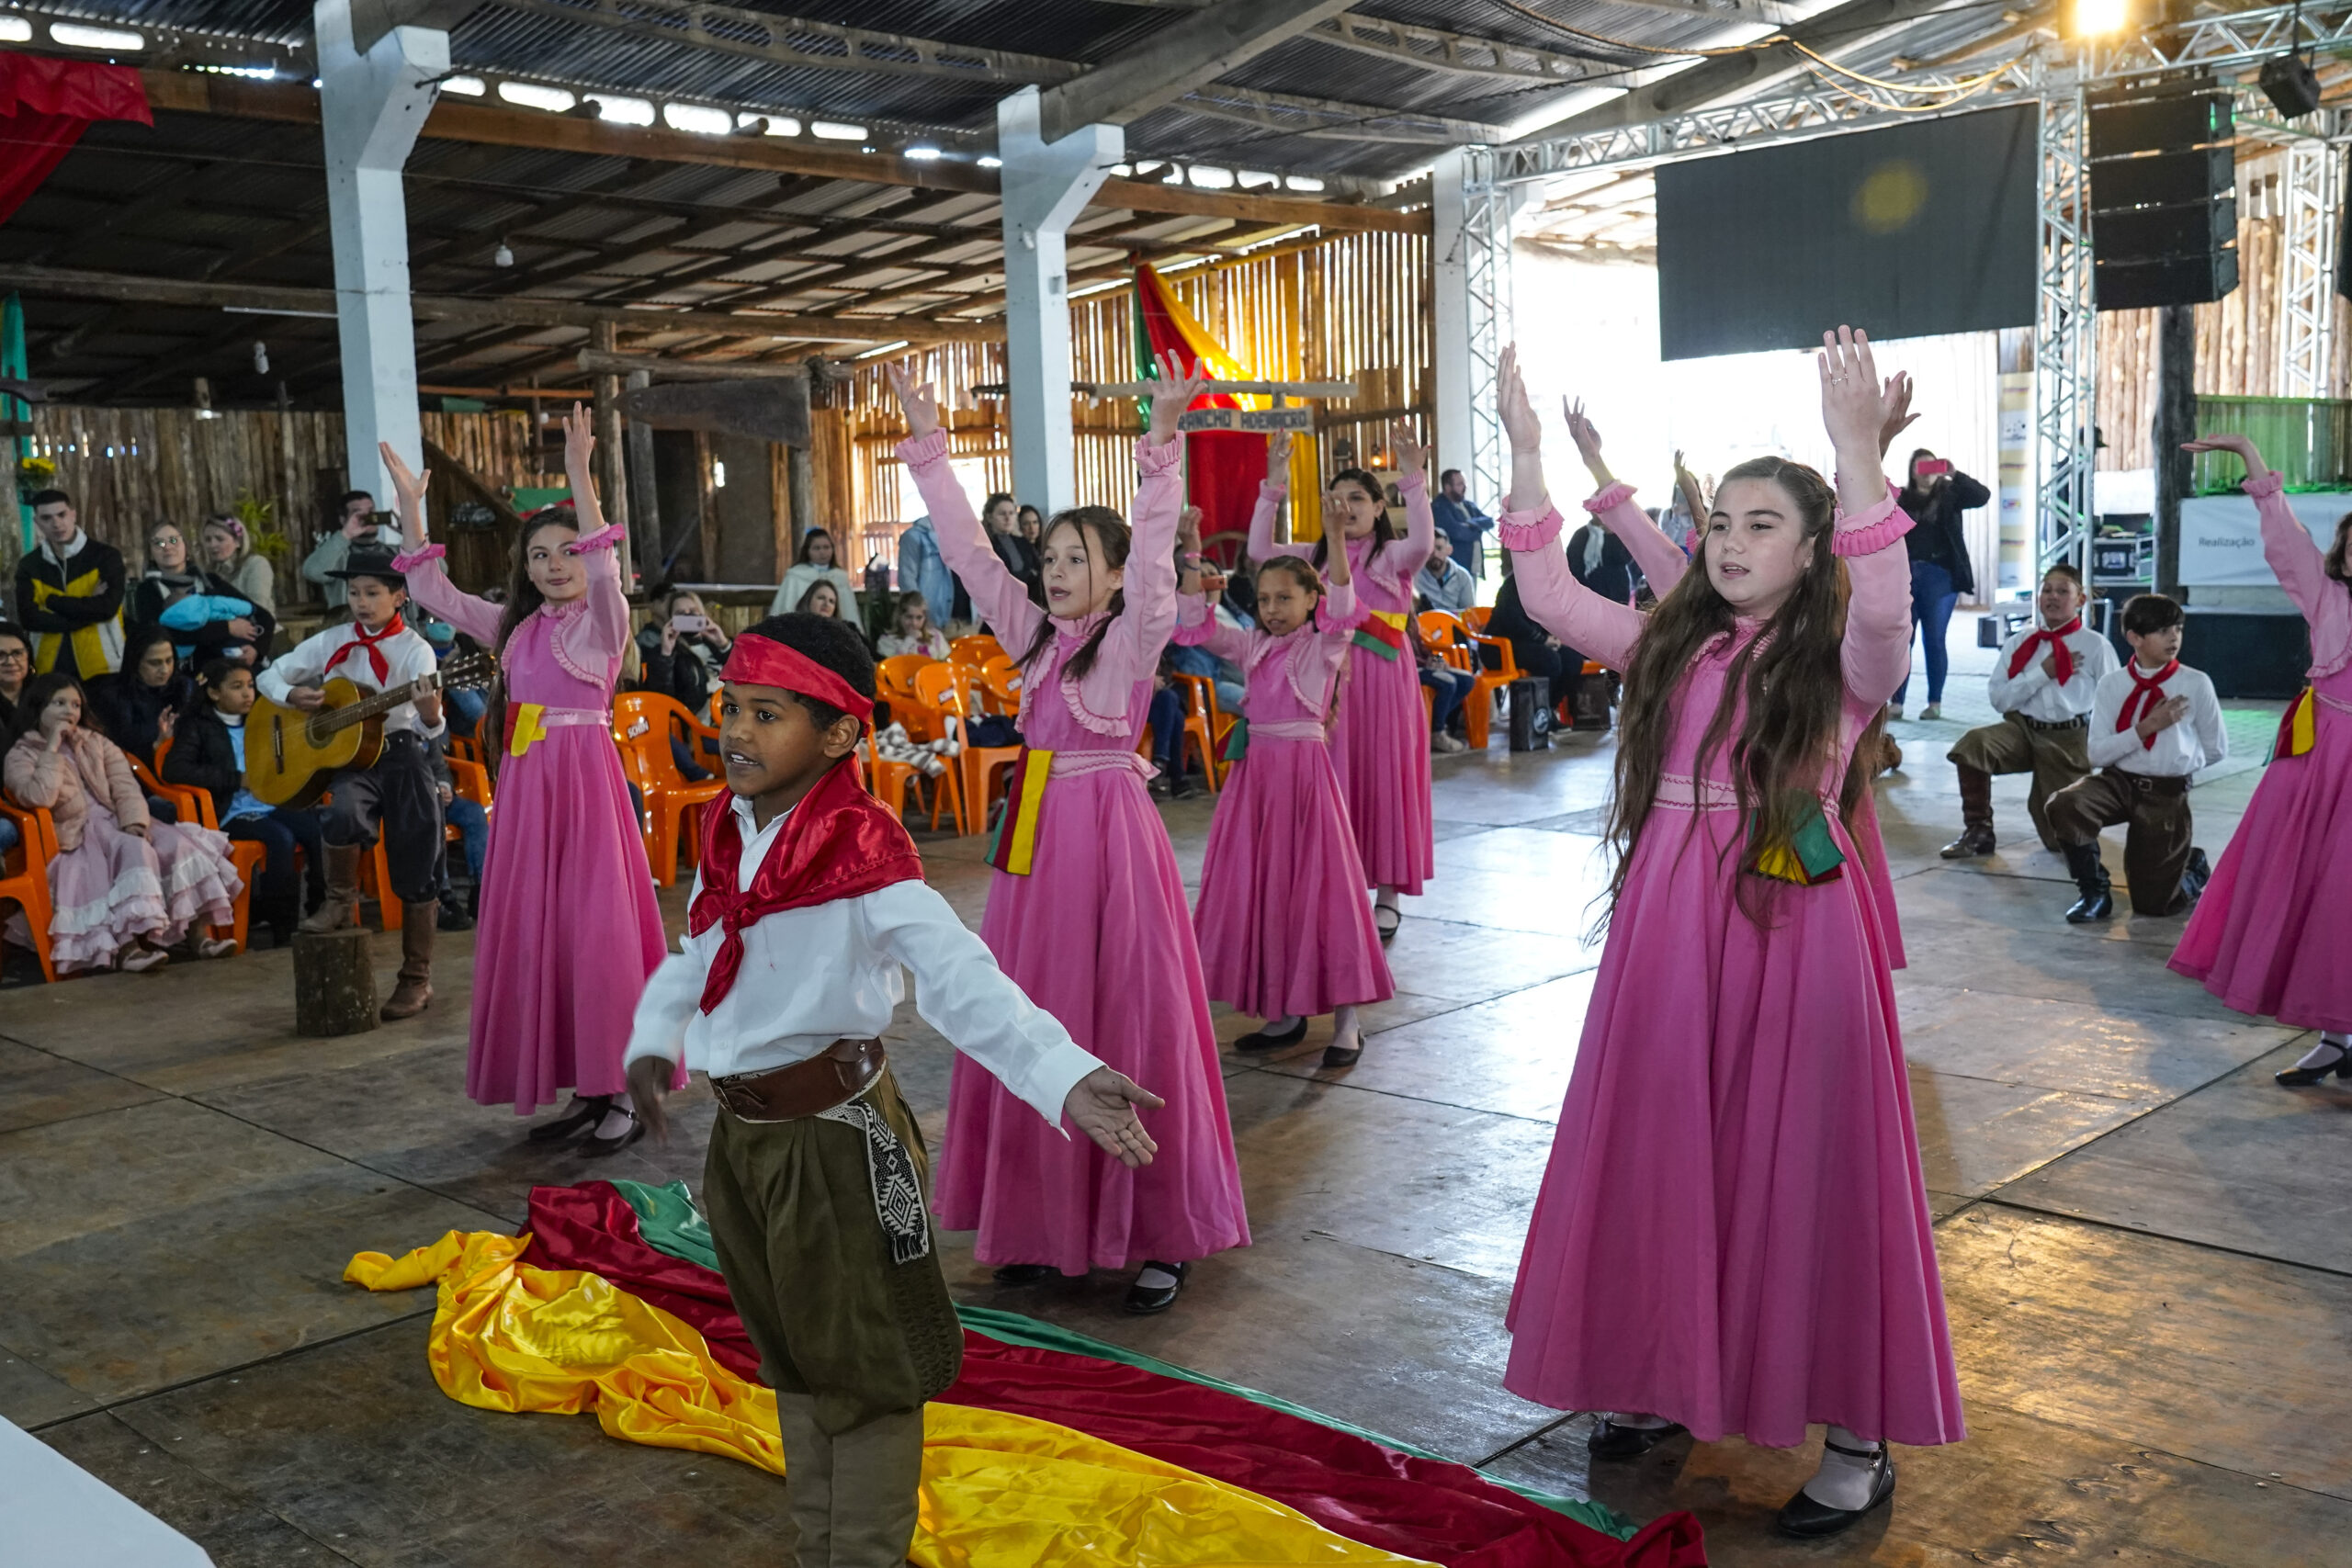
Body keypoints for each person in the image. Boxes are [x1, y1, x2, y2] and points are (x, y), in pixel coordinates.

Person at [1498, 332, 1961, 1539]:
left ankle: (1855, 1427)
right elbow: (1549, 596)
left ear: (1810, 553)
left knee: (1805, 1157)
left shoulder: (1839, 659)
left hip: (1790, 923)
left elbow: (1890, 612)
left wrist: (1859, 451)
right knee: (1666, 1147)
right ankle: (1664, 1372)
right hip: (1667, 925)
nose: (1735, 541)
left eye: (1765, 524)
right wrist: (1529, 453)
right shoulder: (1674, 641)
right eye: (1725, 523)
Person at [621, 612, 1161, 1568]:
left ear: (837, 735)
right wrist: (653, 1039)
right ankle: (816, 1547)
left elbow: (961, 978)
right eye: (731, 709)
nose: (737, 732)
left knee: (864, 1367)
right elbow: (701, 947)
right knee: (791, 1351)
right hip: (743, 1141)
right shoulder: (732, 830)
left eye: (767, 714)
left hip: (834, 1141)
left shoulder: (862, 856)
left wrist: (1066, 1076)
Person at [891, 355, 1249, 1316]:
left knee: (1132, 1014)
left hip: (1111, 844)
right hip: (1037, 842)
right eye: (1047, 559)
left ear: (1113, 574)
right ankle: (1045, 1227)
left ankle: (1158, 1232)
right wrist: (929, 451)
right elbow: (968, 552)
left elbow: (1158, 562)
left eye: (1075, 560)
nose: (1054, 573)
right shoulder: (1034, 637)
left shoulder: (1132, 639)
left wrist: (1162, 449)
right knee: (1030, 1015)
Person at [383, 411, 672, 1145]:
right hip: (526, 787)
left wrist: (580, 478)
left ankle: (625, 1091)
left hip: (584, 787)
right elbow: (438, 596)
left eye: (567, 550)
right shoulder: (517, 625)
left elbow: (607, 567)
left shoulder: (603, 623)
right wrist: (414, 511)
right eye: (538, 553)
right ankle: (588, 1084)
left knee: (597, 931)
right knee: (549, 935)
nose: (553, 563)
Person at [2166, 434, 2352, 1085]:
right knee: (2308, 888)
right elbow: (2285, 535)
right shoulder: (2326, 594)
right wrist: (2248, 454)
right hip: (2316, 756)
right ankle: (2335, 1034)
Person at [1173, 516, 1392, 1067]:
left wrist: (1336, 540)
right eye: (1264, 598)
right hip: (1256, 786)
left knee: (1323, 895)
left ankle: (1348, 1022)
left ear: (1311, 600)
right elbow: (1191, 625)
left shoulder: (1323, 647)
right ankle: (1285, 1013)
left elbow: (1344, 603)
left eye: (1285, 598)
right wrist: (1194, 556)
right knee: (1267, 893)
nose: (1271, 608)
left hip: (1303, 783)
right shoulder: (1251, 646)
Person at [1252, 427, 1435, 942]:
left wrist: (1413, 479)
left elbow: (1423, 538)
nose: (1349, 506)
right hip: (1326, 684)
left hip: (1383, 684)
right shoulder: (1312, 556)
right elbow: (1258, 548)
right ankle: (1339, 885)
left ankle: (1390, 895)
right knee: (1334, 779)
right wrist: (1275, 482)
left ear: (1380, 508)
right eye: (1340, 498)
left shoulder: (1393, 557)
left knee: (1384, 776)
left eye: (1359, 498)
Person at [259, 544, 446, 1020]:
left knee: (419, 857)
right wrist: (291, 693)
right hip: (352, 760)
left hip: (403, 756)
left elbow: (429, 729)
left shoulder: (415, 649)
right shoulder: (332, 640)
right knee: (341, 810)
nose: (361, 602)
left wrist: (430, 713)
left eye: (372, 592)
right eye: (354, 592)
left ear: (399, 596)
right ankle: (340, 901)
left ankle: (416, 979)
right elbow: (270, 676)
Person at [4, 672, 241, 971]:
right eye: (59, 703)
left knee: (177, 845)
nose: (69, 712)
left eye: (75, 705)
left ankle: (200, 937)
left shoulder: (97, 742)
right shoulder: (21, 754)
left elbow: (125, 786)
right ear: (37, 708)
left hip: (120, 819)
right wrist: (51, 749)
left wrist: (135, 822)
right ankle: (129, 948)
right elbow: (37, 797)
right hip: (76, 833)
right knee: (128, 854)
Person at [2045, 592, 2222, 924]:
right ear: (2134, 638)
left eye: (2178, 629)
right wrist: (2147, 728)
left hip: (2167, 793)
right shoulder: (2114, 684)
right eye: (2162, 630)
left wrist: (2177, 764)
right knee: (2066, 803)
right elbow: (2097, 753)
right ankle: (2093, 891)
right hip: (2118, 782)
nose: (2174, 637)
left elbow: (2217, 749)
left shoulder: (2195, 683)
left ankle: (2192, 866)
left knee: (2154, 905)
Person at [1939, 563, 2114, 859]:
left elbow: (2112, 704)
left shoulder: (2095, 646)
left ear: (2080, 600)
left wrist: (2100, 754)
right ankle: (1979, 831)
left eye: (2062, 591)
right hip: (2022, 729)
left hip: (2069, 739)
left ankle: (2074, 818)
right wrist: (2043, 672)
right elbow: (2000, 700)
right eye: (2047, 590)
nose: (2053, 597)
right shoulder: (2020, 642)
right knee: (1973, 745)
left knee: (2060, 841)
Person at [164, 659, 328, 946]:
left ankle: (321, 908)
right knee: (281, 839)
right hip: (233, 810)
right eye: (236, 687)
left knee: (317, 830)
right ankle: (283, 927)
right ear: (214, 693)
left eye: (251, 686)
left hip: (272, 802)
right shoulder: (199, 726)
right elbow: (176, 769)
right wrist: (236, 779)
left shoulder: (264, 719)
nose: (247, 694)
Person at [1890, 448, 1988, 720]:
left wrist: (1955, 475)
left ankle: (1935, 702)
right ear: (1911, 470)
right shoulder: (1900, 499)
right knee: (1901, 641)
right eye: (1919, 467)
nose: (1925, 473)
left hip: (1940, 577)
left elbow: (1982, 497)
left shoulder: (1950, 494)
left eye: (1930, 466)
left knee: (1934, 639)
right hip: (1905, 577)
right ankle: (1896, 703)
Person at [15, 489, 125, 679]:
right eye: (47, 518)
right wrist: (89, 608)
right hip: (48, 668)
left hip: (104, 666)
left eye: (61, 514)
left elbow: (108, 607)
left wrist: (52, 602)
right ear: (37, 522)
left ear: (73, 514)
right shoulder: (30, 565)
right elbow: (29, 619)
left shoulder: (105, 556)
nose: (56, 523)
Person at [84, 626, 191, 771]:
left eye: (169, 661)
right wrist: (157, 746)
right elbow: (119, 755)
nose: (165, 670)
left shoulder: (186, 689)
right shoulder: (112, 698)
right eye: (154, 663)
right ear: (135, 663)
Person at [635, 586, 734, 717]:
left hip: (734, 718)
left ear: (702, 614)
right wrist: (666, 654)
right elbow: (661, 698)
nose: (689, 615)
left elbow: (748, 678)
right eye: (681, 614)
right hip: (699, 725)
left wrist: (724, 645)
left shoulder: (717, 645)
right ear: (671, 620)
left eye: (694, 611)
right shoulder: (666, 654)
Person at [300, 490, 398, 591]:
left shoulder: (394, 552)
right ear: (343, 520)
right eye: (358, 513)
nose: (367, 518)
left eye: (371, 511)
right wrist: (346, 534)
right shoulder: (338, 557)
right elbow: (313, 572)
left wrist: (410, 532)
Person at [769, 528, 860, 624]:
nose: (822, 552)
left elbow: (850, 613)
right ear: (807, 551)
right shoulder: (796, 576)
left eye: (826, 547)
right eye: (817, 548)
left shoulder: (840, 578)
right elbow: (784, 609)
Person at [893, 511, 958, 636]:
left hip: (965, 621)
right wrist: (919, 619)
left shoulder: (964, 535)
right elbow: (907, 581)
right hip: (932, 623)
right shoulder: (914, 537)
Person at [200, 513, 277, 617]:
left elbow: (258, 608)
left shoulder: (256, 564)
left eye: (220, 539)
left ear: (238, 542)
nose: (212, 545)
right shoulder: (210, 571)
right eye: (208, 540)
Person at [1430, 467, 1494, 580]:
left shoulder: (1469, 506)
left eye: (1464, 483)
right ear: (1447, 487)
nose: (1464, 487)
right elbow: (1457, 532)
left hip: (1473, 566)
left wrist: (1471, 524)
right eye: (1460, 484)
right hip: (1455, 568)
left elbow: (1490, 521)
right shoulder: (1439, 507)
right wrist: (1478, 530)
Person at [1414, 529, 1476, 614]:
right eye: (1430, 550)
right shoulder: (1415, 576)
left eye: (1439, 548)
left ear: (1449, 550)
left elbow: (1469, 612)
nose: (1435, 554)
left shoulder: (1463, 576)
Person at [874, 592, 948, 660]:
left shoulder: (936, 636)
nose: (914, 623)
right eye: (909, 617)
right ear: (899, 616)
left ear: (925, 618)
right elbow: (893, 666)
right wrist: (909, 639)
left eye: (919, 617)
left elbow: (946, 662)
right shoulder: (887, 641)